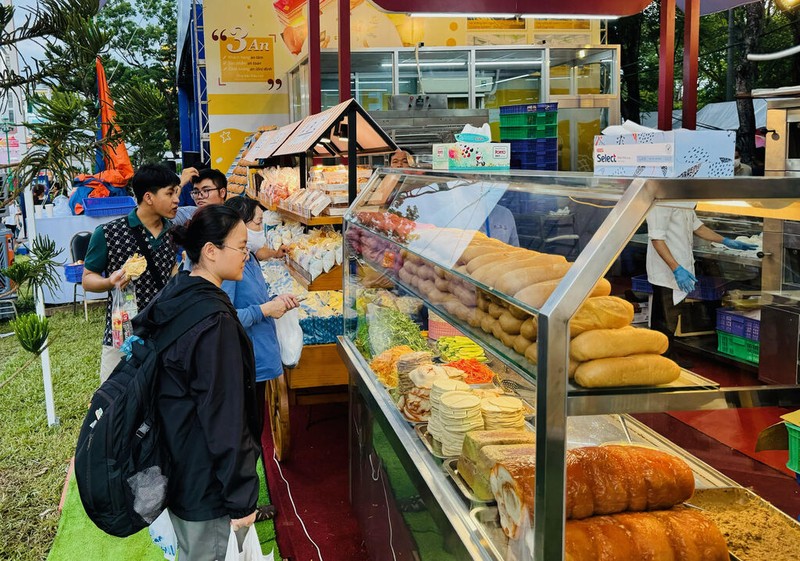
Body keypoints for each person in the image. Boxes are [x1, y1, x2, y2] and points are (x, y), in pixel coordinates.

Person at [136, 205, 261, 560]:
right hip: (205, 479)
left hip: (177, 460)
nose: (246, 254)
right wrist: (241, 498)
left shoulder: (181, 289)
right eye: (240, 246)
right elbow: (224, 416)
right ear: (210, 251)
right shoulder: (214, 321)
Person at [221, 197, 299, 522]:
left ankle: (244, 505)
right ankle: (241, 509)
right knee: (246, 438)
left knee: (253, 434)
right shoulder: (231, 268)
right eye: (256, 225)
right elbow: (225, 317)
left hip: (258, 361)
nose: (261, 231)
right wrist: (266, 309)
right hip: (245, 363)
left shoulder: (249, 258)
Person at [82, 163, 181, 382]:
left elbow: (171, 271)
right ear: (149, 197)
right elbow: (88, 279)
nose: (177, 200)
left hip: (163, 331)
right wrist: (110, 281)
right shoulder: (108, 233)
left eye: (177, 192)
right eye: (170, 193)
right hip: (122, 331)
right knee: (114, 403)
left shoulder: (173, 233)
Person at [646, 203, 757, 344]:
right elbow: (657, 239)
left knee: (674, 316)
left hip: (681, 266)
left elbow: (697, 227)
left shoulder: (685, 199)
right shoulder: (662, 203)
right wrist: (676, 269)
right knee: (665, 319)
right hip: (666, 272)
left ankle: (669, 357)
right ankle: (661, 360)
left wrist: (725, 241)